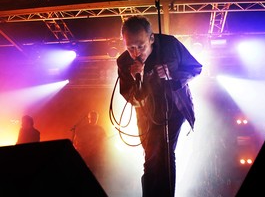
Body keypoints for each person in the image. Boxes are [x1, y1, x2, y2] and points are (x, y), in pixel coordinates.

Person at [116, 15, 203, 197]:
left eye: (141, 46)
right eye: (130, 47)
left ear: (151, 38)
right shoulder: (124, 62)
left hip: (173, 108)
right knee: (151, 157)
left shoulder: (169, 45)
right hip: (146, 114)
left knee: (165, 151)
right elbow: (132, 99)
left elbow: (195, 68)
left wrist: (172, 74)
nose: (136, 52)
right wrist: (136, 79)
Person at [73, 111, 107, 179]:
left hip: (96, 156)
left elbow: (105, 141)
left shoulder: (100, 129)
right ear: (89, 118)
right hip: (85, 154)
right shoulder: (83, 129)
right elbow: (76, 140)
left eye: (95, 118)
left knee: (95, 172)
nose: (94, 119)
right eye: (92, 118)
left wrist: (99, 146)